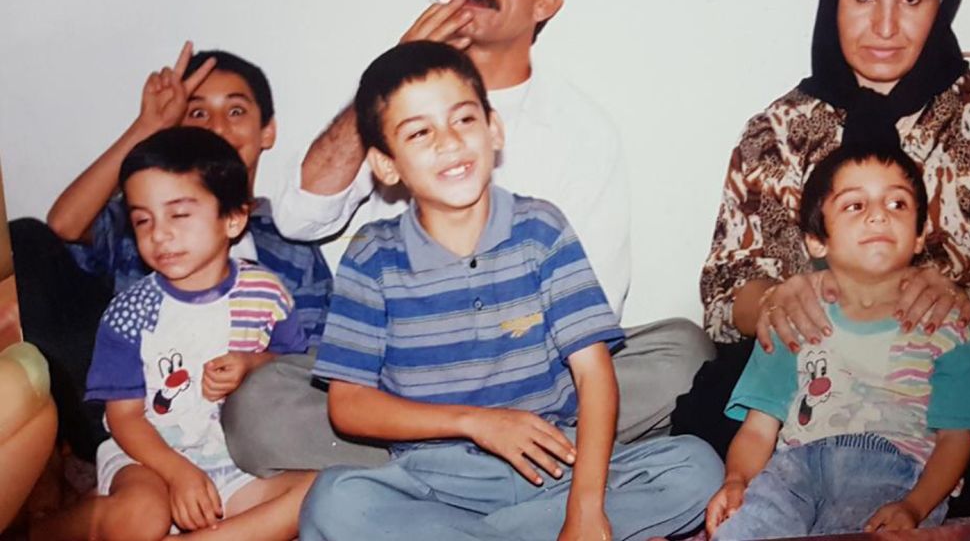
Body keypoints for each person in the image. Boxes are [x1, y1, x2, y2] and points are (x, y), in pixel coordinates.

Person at [232, 0, 713, 476]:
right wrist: (391, 73)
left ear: (547, 1)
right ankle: (508, 465)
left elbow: (596, 310)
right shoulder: (390, 102)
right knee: (258, 409)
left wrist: (496, 390)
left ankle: (459, 471)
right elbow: (300, 216)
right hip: (401, 377)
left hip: (535, 377)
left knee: (683, 355)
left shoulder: (580, 131)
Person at [677, 0, 970, 517]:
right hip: (809, 386)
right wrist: (772, 301)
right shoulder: (776, 128)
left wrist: (954, 294)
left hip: (934, 386)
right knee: (707, 404)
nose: (885, 26)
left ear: (942, 4)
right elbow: (724, 294)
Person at [298, 42, 722, 541]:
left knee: (697, 468)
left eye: (463, 120)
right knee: (333, 503)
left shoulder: (540, 229)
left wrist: (585, 510)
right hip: (437, 480)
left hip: (555, 465)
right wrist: (477, 422)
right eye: (419, 132)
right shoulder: (373, 255)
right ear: (386, 165)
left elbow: (593, 374)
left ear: (493, 129)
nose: (448, 143)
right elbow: (347, 405)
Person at [11, 44, 333, 465]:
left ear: (266, 131)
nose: (216, 126)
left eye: (235, 112)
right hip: (126, 408)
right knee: (24, 238)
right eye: (198, 113)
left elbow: (308, 359)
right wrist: (146, 126)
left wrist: (249, 367)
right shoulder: (150, 221)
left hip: (237, 422)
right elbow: (63, 226)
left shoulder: (290, 241)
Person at [32, 128, 315, 540]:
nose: (159, 234)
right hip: (147, 457)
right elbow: (123, 418)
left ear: (233, 218)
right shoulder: (132, 311)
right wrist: (178, 472)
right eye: (142, 220)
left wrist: (253, 363)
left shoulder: (267, 293)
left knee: (321, 491)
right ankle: (47, 530)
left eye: (179, 215)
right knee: (144, 515)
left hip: (235, 459)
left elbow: (295, 371)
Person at [705, 143, 970, 540]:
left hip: (895, 473)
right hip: (795, 468)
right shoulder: (792, 317)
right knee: (749, 523)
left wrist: (915, 505)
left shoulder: (948, 326)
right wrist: (736, 480)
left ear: (921, 235)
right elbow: (759, 428)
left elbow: (956, 439)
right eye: (855, 206)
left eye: (898, 204)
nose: (878, 215)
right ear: (817, 241)